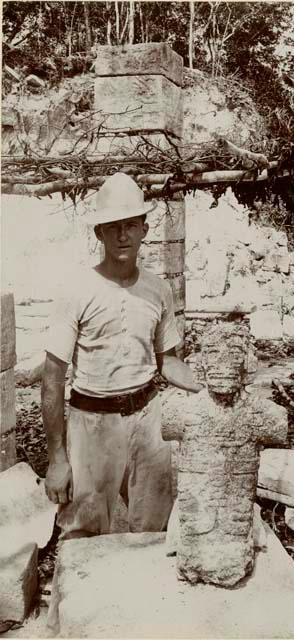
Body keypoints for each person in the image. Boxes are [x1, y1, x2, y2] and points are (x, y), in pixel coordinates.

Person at [41, 172, 202, 540]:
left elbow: (169, 360)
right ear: (99, 232)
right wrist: (57, 459)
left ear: (145, 229)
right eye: (113, 227)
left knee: (153, 527)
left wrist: (208, 385)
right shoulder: (77, 290)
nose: (123, 235)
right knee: (84, 530)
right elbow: (52, 378)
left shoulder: (158, 289)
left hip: (148, 420)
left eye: (131, 225)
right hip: (92, 423)